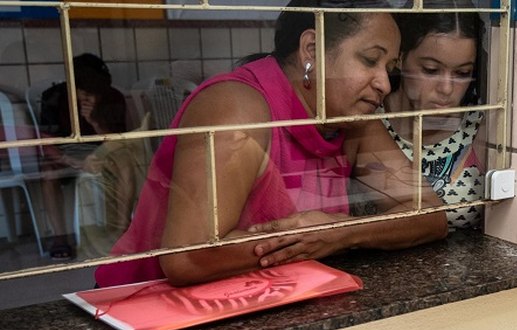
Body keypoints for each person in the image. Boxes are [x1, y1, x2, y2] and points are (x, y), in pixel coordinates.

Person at [95, 0, 446, 288]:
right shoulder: (237, 108)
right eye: (370, 60)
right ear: (311, 49)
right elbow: (188, 258)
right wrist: (311, 242)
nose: (384, 83)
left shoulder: (351, 122)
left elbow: (429, 214)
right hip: (145, 304)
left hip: (269, 295)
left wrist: (338, 233)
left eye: (390, 67)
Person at [348, 0, 486, 229]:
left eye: (462, 73)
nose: (446, 89)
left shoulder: (482, 127)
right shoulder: (367, 116)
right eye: (431, 70)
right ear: (400, 58)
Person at [38, 53, 129, 259]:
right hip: (66, 152)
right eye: (84, 93)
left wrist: (96, 122)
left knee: (125, 166)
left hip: (101, 150)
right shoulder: (54, 97)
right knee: (47, 173)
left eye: (95, 93)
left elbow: (118, 143)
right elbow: (45, 140)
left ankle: (123, 229)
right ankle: (60, 237)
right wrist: (68, 161)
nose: (90, 98)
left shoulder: (113, 97)